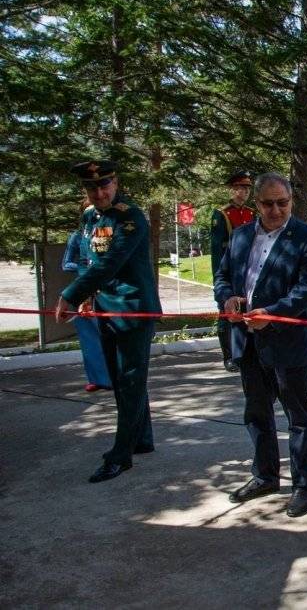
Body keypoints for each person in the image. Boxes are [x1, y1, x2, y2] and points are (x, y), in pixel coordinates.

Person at [213, 173, 307, 517]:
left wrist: (272, 314)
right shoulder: (242, 235)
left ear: (291, 200)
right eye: (268, 203)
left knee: (298, 416)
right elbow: (222, 276)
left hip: (288, 342)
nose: (276, 210)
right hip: (247, 342)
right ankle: (265, 476)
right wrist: (227, 299)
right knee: (257, 412)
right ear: (256, 203)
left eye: (283, 203)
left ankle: (303, 485)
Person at [54, 160, 162, 483]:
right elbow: (91, 261)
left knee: (129, 381)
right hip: (104, 308)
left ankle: (121, 455)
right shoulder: (89, 216)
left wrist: (71, 294)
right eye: (92, 188)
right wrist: (88, 295)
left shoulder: (131, 217)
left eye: (105, 185)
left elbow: (112, 262)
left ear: (116, 183)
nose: (99, 192)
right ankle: (142, 438)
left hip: (133, 310)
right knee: (120, 380)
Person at [62, 200, 112, 393]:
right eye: (88, 211)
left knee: (108, 335)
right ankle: (96, 379)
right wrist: (87, 269)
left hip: (104, 291)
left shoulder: (105, 232)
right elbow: (66, 264)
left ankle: (113, 377)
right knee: (89, 339)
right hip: (83, 292)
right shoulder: (76, 237)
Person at [211, 170, 256, 372]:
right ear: (232, 190)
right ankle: (228, 356)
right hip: (229, 271)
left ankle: (244, 353)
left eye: (247, 188)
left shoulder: (251, 213)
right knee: (226, 313)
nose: (243, 192)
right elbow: (217, 250)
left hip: (250, 272)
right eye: (240, 188)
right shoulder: (221, 214)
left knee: (245, 313)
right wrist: (219, 280)